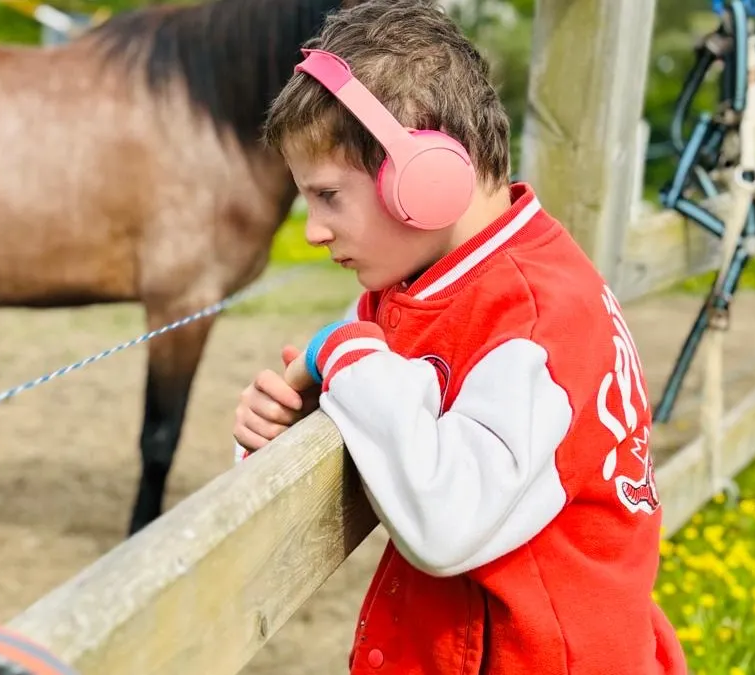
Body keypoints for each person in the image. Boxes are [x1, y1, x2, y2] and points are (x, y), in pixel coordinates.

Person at [230, 0, 688, 673]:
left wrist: (343, 350)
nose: (314, 232)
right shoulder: (437, 281)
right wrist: (284, 427)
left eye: (328, 196)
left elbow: (446, 521)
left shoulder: (537, 323)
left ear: (425, 176)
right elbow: (379, 401)